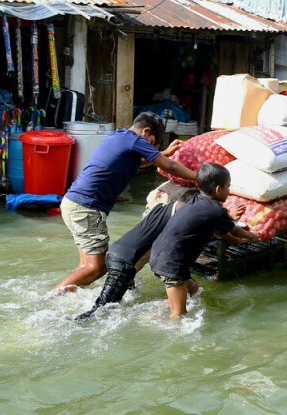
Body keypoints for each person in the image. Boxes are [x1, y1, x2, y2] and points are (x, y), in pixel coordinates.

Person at [54, 112, 198, 294]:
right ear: (145, 131)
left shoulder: (118, 136)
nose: (150, 147)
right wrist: (200, 177)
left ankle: (66, 297)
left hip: (74, 202)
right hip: (87, 207)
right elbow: (169, 166)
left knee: (85, 266)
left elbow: (136, 163)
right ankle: (49, 300)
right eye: (151, 143)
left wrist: (162, 153)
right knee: (96, 268)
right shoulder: (135, 141)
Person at [75, 191, 246, 321]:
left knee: (190, 287)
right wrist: (228, 218)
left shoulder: (160, 209)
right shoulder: (181, 215)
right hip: (125, 263)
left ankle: (152, 314)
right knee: (100, 313)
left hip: (118, 253)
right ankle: (75, 324)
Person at [149, 163, 259, 318]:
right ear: (218, 190)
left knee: (192, 289)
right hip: (172, 263)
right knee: (179, 315)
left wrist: (234, 240)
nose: (229, 190)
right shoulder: (215, 210)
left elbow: (221, 230)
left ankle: (151, 315)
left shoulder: (196, 200)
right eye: (228, 187)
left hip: (158, 255)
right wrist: (252, 236)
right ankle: (160, 326)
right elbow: (233, 229)